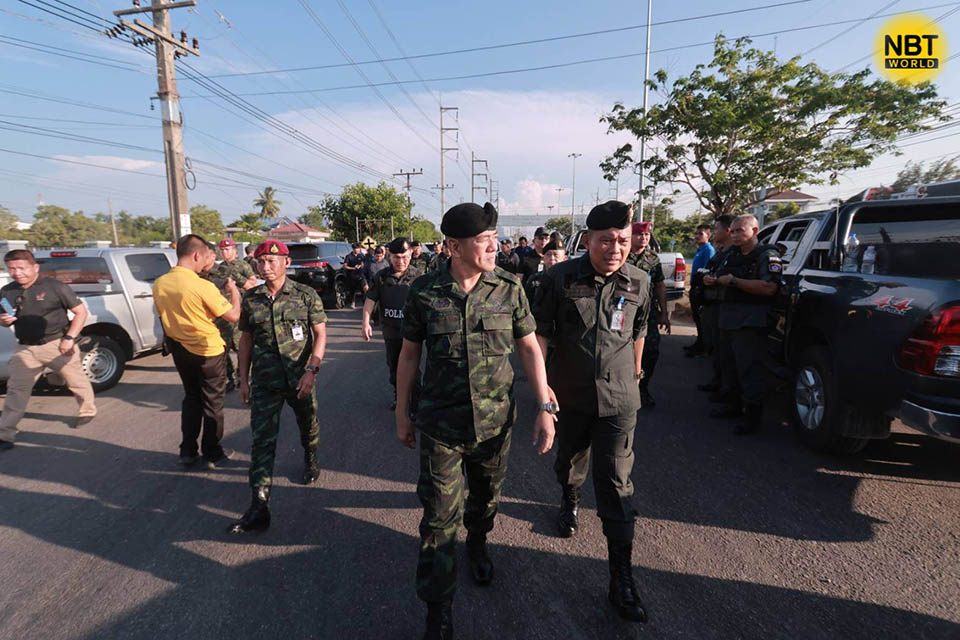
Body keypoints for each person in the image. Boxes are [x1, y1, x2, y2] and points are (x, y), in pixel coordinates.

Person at [395, 202, 557, 639]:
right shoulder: (424, 292)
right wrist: (401, 412)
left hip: (494, 424)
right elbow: (409, 355)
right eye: (483, 240)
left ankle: (479, 542)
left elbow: (529, 348)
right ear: (453, 247)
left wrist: (544, 406)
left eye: (494, 238)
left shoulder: (508, 288)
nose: (493, 247)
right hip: (441, 426)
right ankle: (438, 611)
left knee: (484, 501)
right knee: (437, 520)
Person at [533, 200, 651, 624]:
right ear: (588, 240)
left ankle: (622, 578)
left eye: (623, 240)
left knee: (617, 483)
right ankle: (569, 498)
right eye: (606, 240)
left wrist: (635, 374)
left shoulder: (640, 280)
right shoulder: (559, 278)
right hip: (570, 395)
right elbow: (539, 336)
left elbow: (638, 330)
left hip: (619, 400)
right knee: (570, 460)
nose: (615, 249)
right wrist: (543, 392)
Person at [230, 239, 328, 534]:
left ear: (286, 262)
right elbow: (245, 341)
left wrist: (312, 370)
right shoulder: (252, 299)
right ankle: (259, 505)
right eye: (260, 262)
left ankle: (310, 456)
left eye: (272, 261)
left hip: (300, 378)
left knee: (308, 425)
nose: (265, 267)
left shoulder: (305, 295)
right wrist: (243, 379)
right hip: (266, 382)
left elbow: (320, 334)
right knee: (262, 440)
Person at [153, 235, 240, 467]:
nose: (207, 262)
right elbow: (233, 315)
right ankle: (213, 452)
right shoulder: (202, 285)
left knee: (192, 398)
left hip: (179, 350)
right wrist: (234, 292)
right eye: (206, 256)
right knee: (213, 404)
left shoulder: (160, 283)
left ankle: (188, 451)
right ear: (196, 255)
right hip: (208, 352)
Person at [0, 249, 97, 448]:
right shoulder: (7, 291)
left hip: (57, 344)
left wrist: (69, 338)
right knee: (16, 391)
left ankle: (87, 410)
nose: (17, 273)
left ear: (35, 267)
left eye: (21, 268)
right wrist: (4, 320)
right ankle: (5, 434)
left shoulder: (55, 287)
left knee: (76, 381)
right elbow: (5, 319)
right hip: (25, 349)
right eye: (12, 269)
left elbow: (80, 312)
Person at [703, 215, 780, 435]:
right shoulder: (731, 255)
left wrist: (735, 281)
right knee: (729, 366)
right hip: (728, 318)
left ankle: (752, 419)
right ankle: (733, 405)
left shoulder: (767, 256)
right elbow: (719, 275)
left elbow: (769, 288)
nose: (735, 235)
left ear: (755, 231)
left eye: (740, 231)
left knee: (750, 370)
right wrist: (712, 280)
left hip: (750, 321)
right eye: (733, 231)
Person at [361, 237, 422, 411]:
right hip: (391, 331)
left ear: (410, 255)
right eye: (396, 257)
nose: (400, 261)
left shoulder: (418, 277)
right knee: (394, 366)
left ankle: (416, 402)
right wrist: (366, 322)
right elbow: (370, 300)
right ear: (390, 256)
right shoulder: (381, 277)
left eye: (404, 257)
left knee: (413, 368)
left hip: (412, 332)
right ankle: (400, 398)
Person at [204, 238, 258, 391]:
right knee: (223, 349)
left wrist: (236, 278)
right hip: (222, 313)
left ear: (234, 250)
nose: (225, 252)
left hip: (240, 312)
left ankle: (242, 377)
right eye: (222, 250)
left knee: (242, 347)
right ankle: (229, 378)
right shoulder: (218, 269)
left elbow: (252, 284)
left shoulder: (243, 265)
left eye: (227, 249)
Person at [626, 221, 670, 408]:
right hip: (623, 311)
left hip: (646, 312)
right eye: (639, 234)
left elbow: (659, 285)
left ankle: (642, 388)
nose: (643, 238)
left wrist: (664, 313)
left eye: (646, 235)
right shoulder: (622, 255)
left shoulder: (652, 258)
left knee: (651, 351)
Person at [696, 216, 735, 394]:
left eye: (717, 228)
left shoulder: (735, 254)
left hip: (726, 306)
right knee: (717, 347)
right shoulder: (721, 252)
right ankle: (718, 381)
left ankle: (727, 389)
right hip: (713, 302)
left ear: (727, 230)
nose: (714, 232)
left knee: (726, 350)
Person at [685, 224, 716, 357]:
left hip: (701, 288)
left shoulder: (709, 250)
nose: (697, 236)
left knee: (701, 319)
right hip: (695, 287)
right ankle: (698, 343)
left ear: (708, 235)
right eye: (696, 233)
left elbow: (707, 270)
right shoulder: (700, 249)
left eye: (700, 234)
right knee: (697, 318)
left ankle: (703, 347)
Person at [523, 235, 566, 305]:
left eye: (556, 255)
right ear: (543, 258)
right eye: (548, 255)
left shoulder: (571, 280)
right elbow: (527, 304)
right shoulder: (534, 279)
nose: (552, 258)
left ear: (565, 259)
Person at [342, 243, 366, 309]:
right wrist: (353, 268)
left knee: (363, 289)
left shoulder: (361, 255)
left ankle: (365, 303)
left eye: (359, 248)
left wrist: (361, 266)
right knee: (352, 290)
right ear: (353, 249)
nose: (358, 250)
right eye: (356, 248)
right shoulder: (349, 256)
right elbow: (345, 266)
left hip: (360, 275)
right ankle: (353, 302)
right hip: (352, 276)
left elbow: (363, 263)